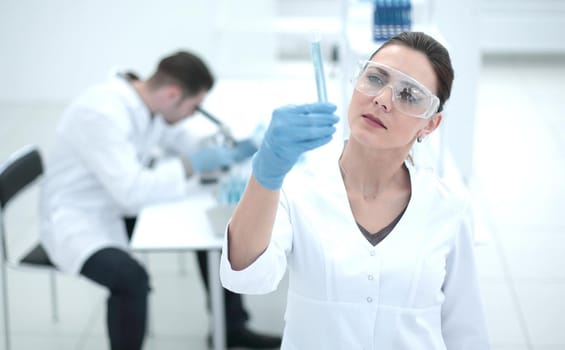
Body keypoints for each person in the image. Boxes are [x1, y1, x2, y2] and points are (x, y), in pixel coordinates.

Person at [220, 31, 491, 349]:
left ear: (430, 125)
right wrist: (265, 174)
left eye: (409, 95)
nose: (382, 100)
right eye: (375, 78)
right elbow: (245, 278)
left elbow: (465, 331)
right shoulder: (299, 188)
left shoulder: (448, 207)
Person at [40, 51, 281, 350]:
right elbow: (130, 192)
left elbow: (177, 139)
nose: (195, 114)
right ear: (172, 94)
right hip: (78, 220)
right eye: (195, 107)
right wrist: (193, 164)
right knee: (130, 280)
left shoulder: (146, 104)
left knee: (207, 232)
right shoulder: (102, 114)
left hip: (114, 204)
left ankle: (231, 329)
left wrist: (226, 148)